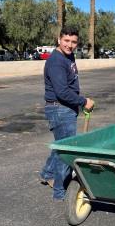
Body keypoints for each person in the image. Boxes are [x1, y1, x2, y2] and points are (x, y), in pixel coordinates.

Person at [39, 26, 94, 201]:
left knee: (61, 146)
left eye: (74, 42)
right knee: (66, 151)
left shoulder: (67, 56)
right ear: (59, 39)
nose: (70, 45)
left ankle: (47, 174)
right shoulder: (56, 61)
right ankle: (59, 192)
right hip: (60, 109)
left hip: (65, 108)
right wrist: (84, 101)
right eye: (66, 41)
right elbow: (62, 91)